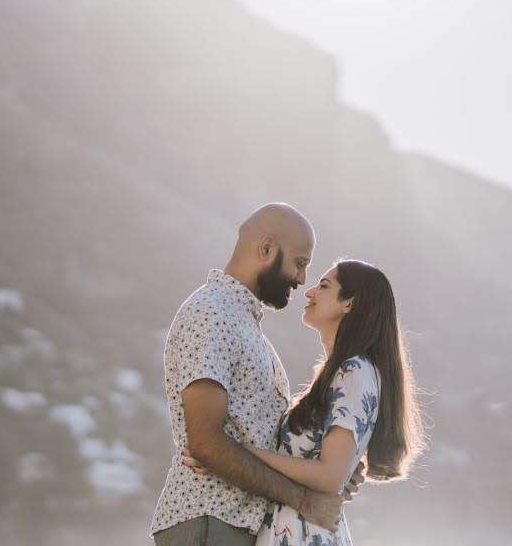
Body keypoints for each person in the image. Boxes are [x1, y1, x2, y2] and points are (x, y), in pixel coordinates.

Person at [151, 203, 363, 546]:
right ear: (266, 249)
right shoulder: (212, 312)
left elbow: (258, 437)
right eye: (300, 263)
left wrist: (332, 472)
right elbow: (207, 443)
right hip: (210, 518)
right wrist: (306, 501)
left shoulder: (244, 324)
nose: (301, 279)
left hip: (237, 522)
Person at [185, 258, 425, 546]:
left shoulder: (355, 372)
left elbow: (329, 476)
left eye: (324, 286)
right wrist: (227, 458)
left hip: (306, 533)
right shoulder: (339, 372)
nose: (309, 292)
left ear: (349, 303)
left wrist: (234, 452)